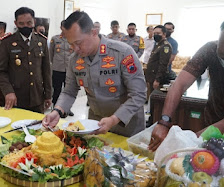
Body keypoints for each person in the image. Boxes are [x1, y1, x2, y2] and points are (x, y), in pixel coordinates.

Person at [43, 11, 147, 137]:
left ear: (94, 32)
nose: (75, 49)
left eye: (78, 43)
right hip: (96, 125)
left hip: (127, 126)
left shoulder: (122, 53)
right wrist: (58, 111)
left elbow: (139, 95)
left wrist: (114, 119)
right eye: (71, 44)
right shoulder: (74, 59)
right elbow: (69, 91)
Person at [148, 22, 224, 151]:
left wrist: (193, 139)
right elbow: (180, 84)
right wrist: (164, 122)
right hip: (212, 117)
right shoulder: (211, 49)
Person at [0, 7, 52, 113]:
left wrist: (48, 95)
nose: (25, 26)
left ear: (34, 22)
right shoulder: (7, 43)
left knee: (38, 127)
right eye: (21, 24)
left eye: (29, 23)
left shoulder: (41, 41)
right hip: (16, 98)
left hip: (37, 96)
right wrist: (8, 92)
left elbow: (46, 70)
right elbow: (0, 71)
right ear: (15, 23)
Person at [49, 20, 74, 116]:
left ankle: (67, 109)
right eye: (64, 27)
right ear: (61, 27)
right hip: (57, 68)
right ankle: (55, 108)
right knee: (57, 89)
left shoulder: (71, 38)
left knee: (68, 90)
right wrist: (53, 64)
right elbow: (50, 53)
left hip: (69, 69)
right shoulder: (54, 39)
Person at [145, 25, 172, 93]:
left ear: (164, 34)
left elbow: (163, 64)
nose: (156, 35)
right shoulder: (158, 44)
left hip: (157, 78)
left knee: (156, 99)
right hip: (152, 76)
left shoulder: (165, 46)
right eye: (155, 33)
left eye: (158, 33)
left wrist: (157, 80)